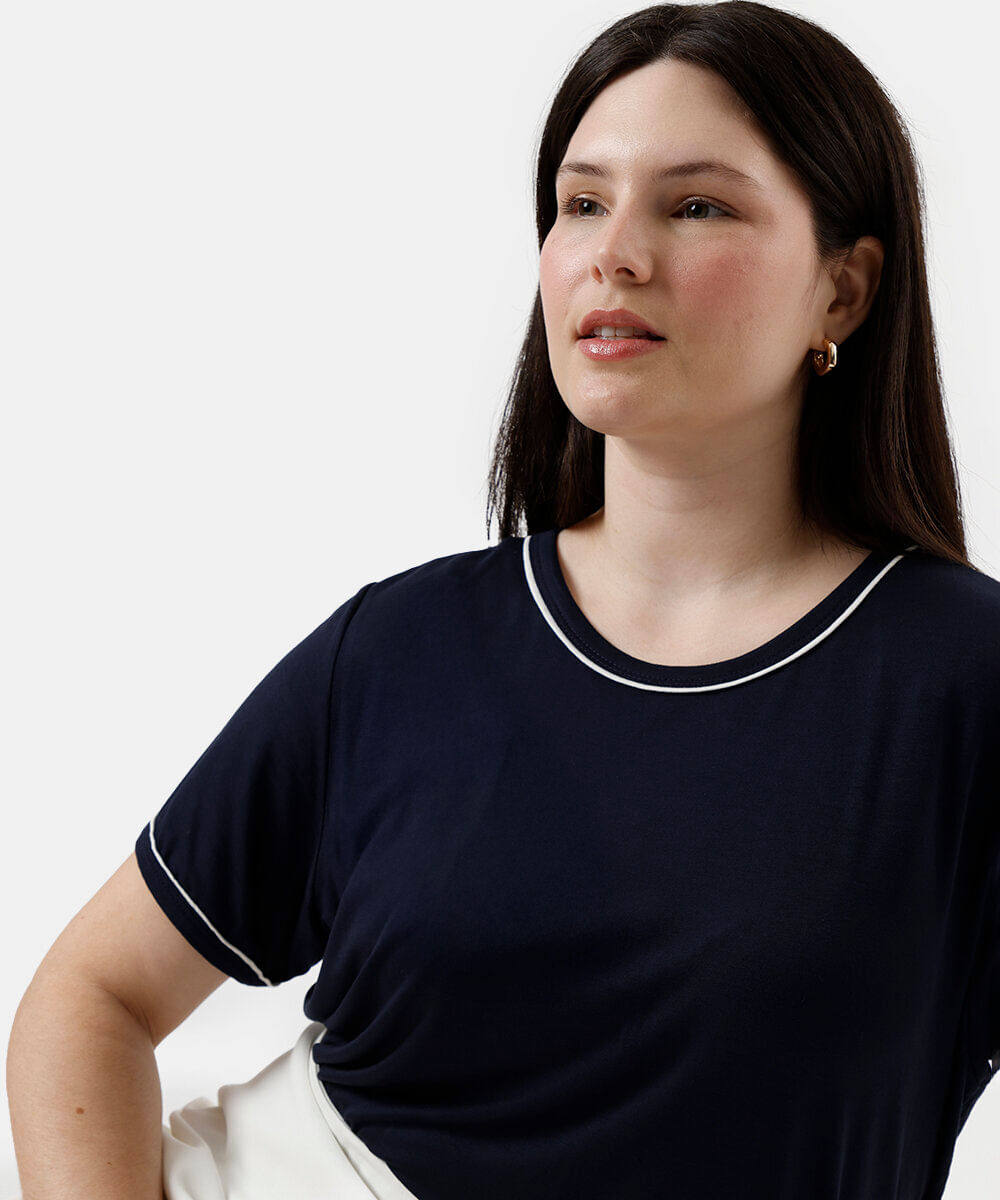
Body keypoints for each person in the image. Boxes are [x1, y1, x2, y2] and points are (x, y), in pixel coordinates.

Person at [7, 2, 1000, 1198]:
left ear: (844, 291)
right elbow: (92, 997)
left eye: (696, 205)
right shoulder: (398, 651)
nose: (613, 253)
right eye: (581, 203)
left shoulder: (962, 682)